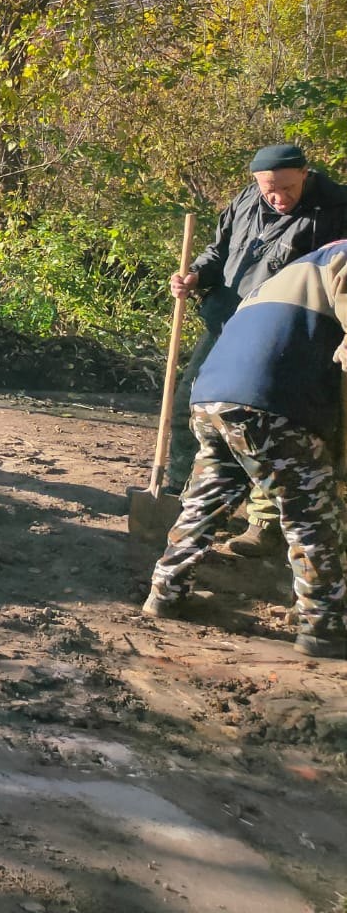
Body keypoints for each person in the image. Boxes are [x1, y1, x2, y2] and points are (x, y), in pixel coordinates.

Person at [142, 240, 347, 658]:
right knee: (312, 513)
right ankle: (323, 627)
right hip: (267, 401)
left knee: (208, 498)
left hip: (213, 395)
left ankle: (165, 592)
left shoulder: (292, 272)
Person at [167, 143, 347, 555]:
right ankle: (179, 496)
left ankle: (265, 522)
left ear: (305, 173)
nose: (277, 197)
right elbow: (220, 251)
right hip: (229, 321)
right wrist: (195, 276)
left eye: (286, 187)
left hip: (293, 335)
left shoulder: (337, 209)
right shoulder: (247, 200)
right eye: (269, 189)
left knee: (275, 424)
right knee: (192, 408)